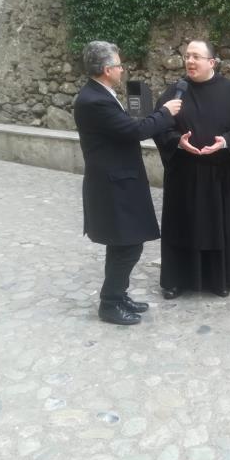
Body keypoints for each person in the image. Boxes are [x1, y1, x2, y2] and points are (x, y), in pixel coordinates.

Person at [74, 40, 181, 326]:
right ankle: (109, 303)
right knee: (128, 246)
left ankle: (118, 295)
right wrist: (165, 113)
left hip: (118, 181)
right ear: (108, 69)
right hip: (113, 186)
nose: (123, 70)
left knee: (122, 244)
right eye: (119, 65)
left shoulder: (100, 94)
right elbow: (133, 130)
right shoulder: (94, 100)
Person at [153, 39, 230, 299]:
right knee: (183, 226)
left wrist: (226, 142)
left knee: (218, 225)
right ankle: (177, 280)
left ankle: (219, 278)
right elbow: (159, 124)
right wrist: (177, 141)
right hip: (184, 175)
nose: (189, 61)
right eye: (187, 56)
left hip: (219, 174)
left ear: (211, 62)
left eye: (196, 56)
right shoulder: (174, 92)